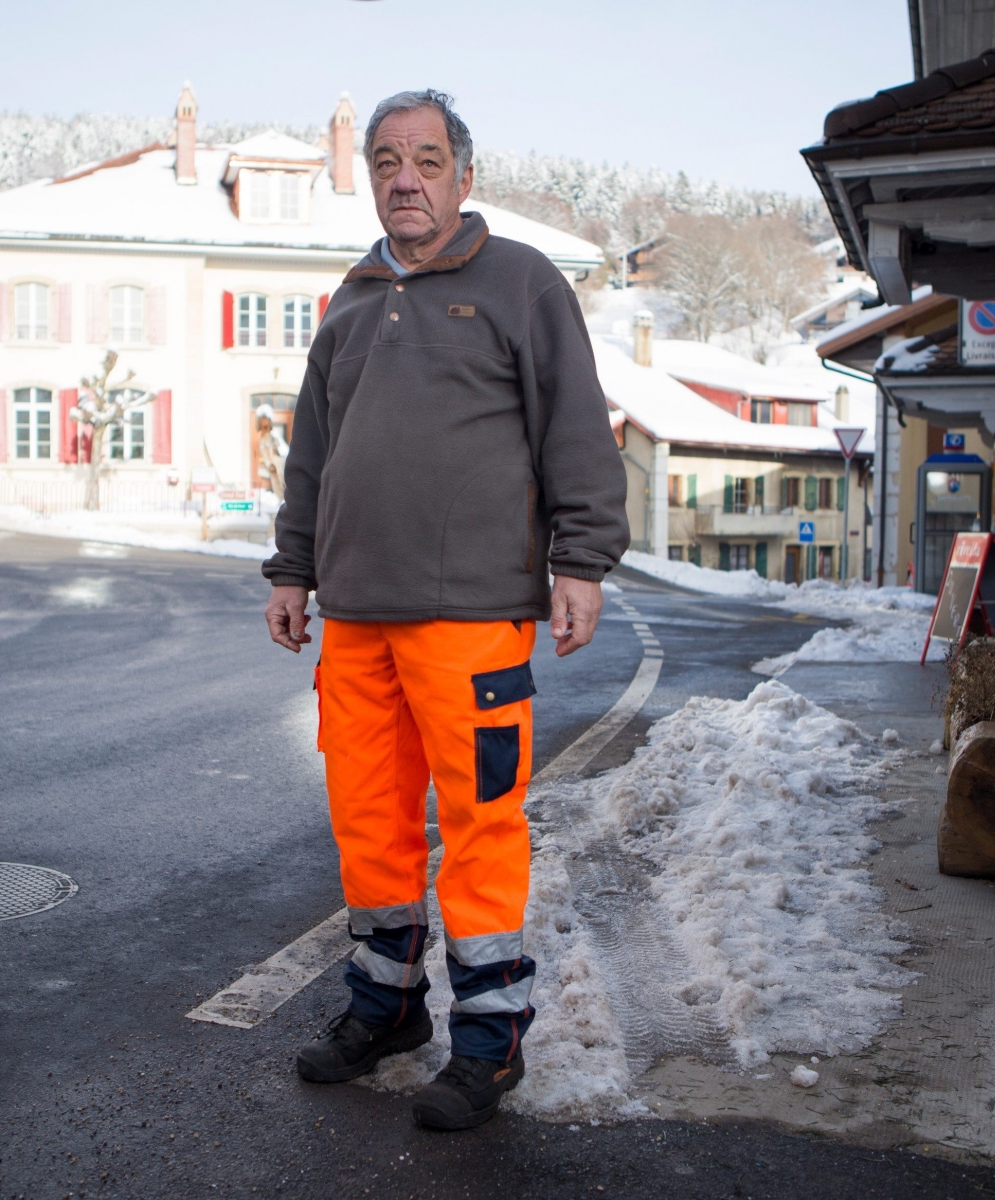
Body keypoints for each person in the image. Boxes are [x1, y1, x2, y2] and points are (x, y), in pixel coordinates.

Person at [261, 89, 628, 1131]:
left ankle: (490, 1042)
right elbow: (313, 457)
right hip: (357, 617)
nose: (404, 178)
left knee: (479, 828)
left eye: (425, 158)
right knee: (370, 827)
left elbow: (576, 433)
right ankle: (385, 1011)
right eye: (386, 160)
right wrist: (293, 571)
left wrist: (582, 560)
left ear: (464, 176)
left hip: (473, 618)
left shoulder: (520, 283)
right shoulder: (350, 296)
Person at [254, 404, 287, 500]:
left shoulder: (274, 435)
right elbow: (264, 454)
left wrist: (277, 452)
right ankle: (281, 500)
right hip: (273, 466)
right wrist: (269, 465)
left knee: (283, 482)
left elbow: (282, 450)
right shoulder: (263, 439)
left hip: (279, 462)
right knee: (277, 485)